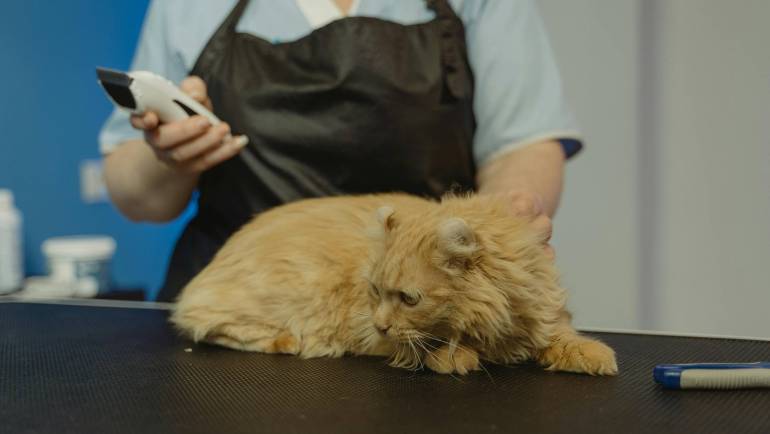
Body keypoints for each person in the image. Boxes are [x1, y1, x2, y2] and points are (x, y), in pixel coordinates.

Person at [99, 0, 583, 301]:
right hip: (245, 299)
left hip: (419, 303)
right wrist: (169, 157)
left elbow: (521, 146)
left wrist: (499, 226)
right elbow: (136, 196)